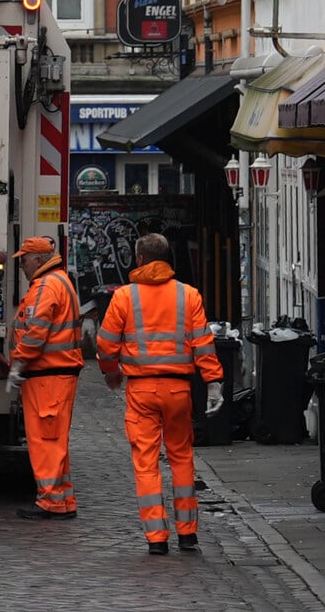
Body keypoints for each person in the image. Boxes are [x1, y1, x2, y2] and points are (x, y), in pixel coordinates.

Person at [96, 233, 224, 555]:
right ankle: (188, 533)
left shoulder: (125, 297)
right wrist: (213, 384)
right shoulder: (188, 295)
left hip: (141, 390)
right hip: (178, 389)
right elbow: (203, 344)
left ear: (138, 259)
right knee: (181, 458)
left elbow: (106, 343)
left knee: (146, 462)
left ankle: (156, 538)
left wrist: (111, 372)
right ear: (167, 258)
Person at [6, 236, 84, 520]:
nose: (22, 265)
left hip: (48, 375)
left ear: (38, 260)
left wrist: (19, 364)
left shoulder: (47, 285)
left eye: (24, 260)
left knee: (45, 440)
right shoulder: (58, 281)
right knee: (54, 439)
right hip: (56, 374)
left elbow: (36, 331)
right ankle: (62, 499)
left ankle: (50, 501)